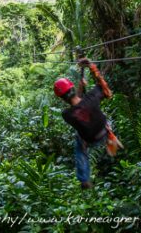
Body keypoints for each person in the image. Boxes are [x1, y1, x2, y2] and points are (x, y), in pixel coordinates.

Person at [53, 58, 122, 189]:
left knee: (79, 143)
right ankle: (111, 138)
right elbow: (105, 90)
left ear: (62, 99)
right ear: (72, 88)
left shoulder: (67, 115)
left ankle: (84, 179)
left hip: (91, 139)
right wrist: (91, 66)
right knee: (100, 116)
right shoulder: (92, 97)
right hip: (104, 131)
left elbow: (77, 107)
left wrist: (81, 88)